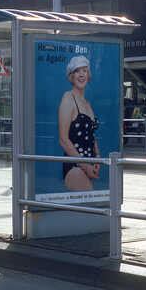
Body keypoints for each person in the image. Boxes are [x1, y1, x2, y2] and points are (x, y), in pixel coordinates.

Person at [58, 56, 100, 191]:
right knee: (89, 205)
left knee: (90, 206)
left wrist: (97, 159)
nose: (81, 74)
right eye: (77, 71)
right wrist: (85, 166)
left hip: (90, 165)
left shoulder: (87, 103)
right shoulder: (68, 98)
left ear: (89, 75)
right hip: (74, 166)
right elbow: (63, 140)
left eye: (85, 71)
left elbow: (91, 136)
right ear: (71, 75)